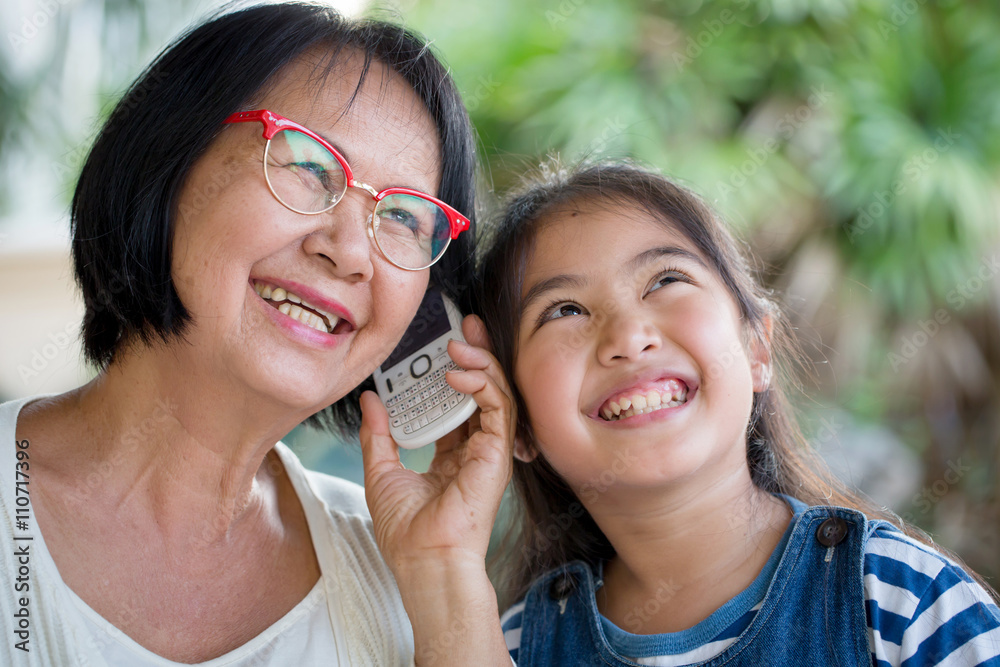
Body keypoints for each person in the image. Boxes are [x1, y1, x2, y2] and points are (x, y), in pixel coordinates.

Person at [1, 3, 511, 665]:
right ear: (168, 156)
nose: (352, 251)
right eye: (307, 163)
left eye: (407, 218)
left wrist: (444, 578)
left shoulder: (406, 573)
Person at [376, 160, 1000, 666]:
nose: (628, 334)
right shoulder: (503, 649)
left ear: (758, 347)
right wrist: (440, 569)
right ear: (520, 424)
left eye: (665, 280)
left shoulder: (900, 602)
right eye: (563, 310)